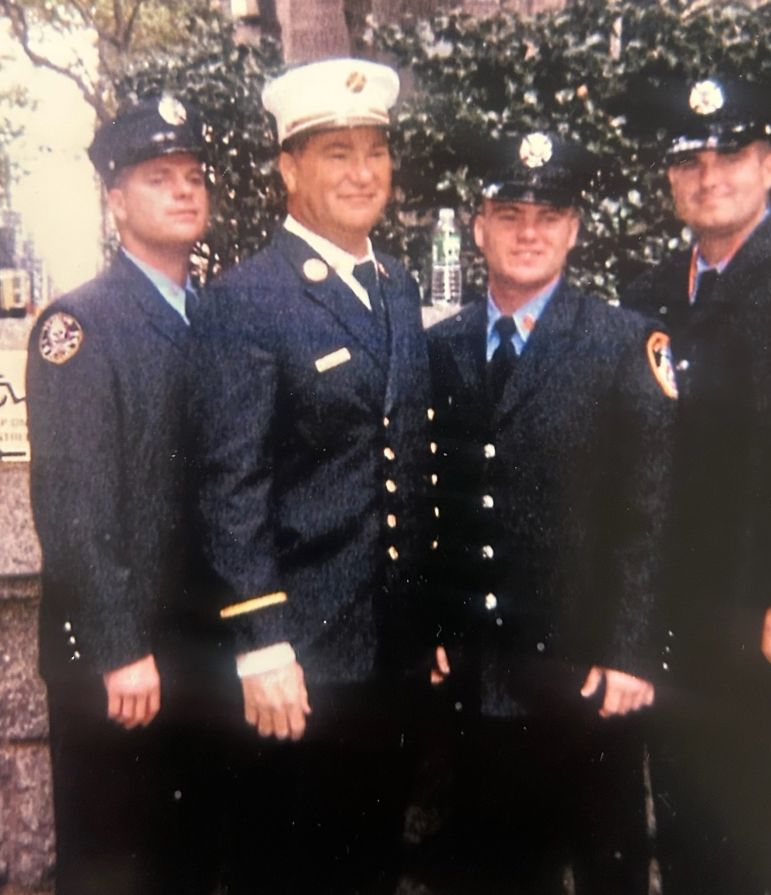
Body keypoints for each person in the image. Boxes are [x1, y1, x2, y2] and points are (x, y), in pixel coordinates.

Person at [191, 58, 434, 895]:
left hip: (390, 651)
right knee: (293, 870)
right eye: (336, 152)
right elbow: (231, 486)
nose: (362, 172)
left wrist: (422, 618)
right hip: (300, 656)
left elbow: (402, 457)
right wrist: (263, 644)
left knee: (369, 862)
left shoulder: (396, 287)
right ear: (290, 169)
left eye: (375, 151)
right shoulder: (249, 298)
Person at [621, 76, 771, 895]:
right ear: (669, 179)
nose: (710, 174)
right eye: (691, 160)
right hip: (685, 628)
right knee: (694, 842)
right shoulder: (652, 291)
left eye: (732, 156)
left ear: (770, 168)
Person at [425, 132, 676, 895]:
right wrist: (437, 623)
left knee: (606, 868)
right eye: (509, 213)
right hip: (477, 673)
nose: (528, 231)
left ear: (573, 228)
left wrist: (632, 649)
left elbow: (650, 510)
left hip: (587, 671)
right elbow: (439, 502)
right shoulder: (443, 347)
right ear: (479, 227)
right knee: (491, 873)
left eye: (548, 214)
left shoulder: (621, 341)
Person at [26, 96, 214, 895]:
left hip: (196, 646)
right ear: (114, 200)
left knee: (186, 863)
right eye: (158, 177)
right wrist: (116, 647)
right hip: (120, 657)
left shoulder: (214, 313)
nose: (183, 191)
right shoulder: (81, 323)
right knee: (114, 866)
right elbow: (74, 501)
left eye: (194, 176)